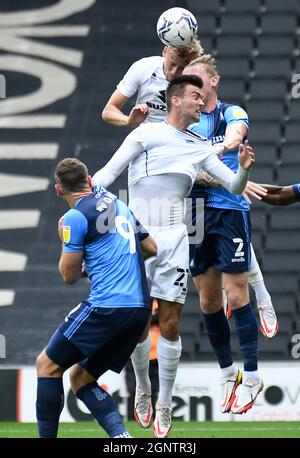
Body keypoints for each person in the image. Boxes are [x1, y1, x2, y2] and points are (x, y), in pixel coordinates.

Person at [93, 74, 255, 437]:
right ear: (176, 100)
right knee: (135, 322)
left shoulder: (198, 145)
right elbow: (109, 173)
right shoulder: (144, 134)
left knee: (169, 323)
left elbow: (232, 187)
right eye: (197, 97)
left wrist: (242, 169)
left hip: (175, 239)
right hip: (136, 238)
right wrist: (80, 198)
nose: (203, 102)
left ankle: (165, 402)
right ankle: (143, 389)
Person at [35, 158, 157, 439]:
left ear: (58, 190)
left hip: (108, 305)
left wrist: (66, 242)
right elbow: (151, 247)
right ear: (89, 180)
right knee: (81, 378)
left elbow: (69, 275)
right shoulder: (119, 204)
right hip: (139, 310)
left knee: (47, 365)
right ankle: (121, 439)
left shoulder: (76, 218)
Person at [182, 55, 265, 414]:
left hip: (229, 210)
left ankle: (252, 375)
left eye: (199, 78)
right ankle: (226, 372)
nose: (195, 86)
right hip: (193, 212)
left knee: (237, 292)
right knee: (208, 301)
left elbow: (236, 134)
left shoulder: (230, 113)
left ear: (214, 80)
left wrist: (220, 150)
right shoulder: (185, 122)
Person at [101, 39, 203, 127]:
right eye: (172, 64)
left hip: (180, 138)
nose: (174, 72)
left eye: (182, 68)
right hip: (145, 135)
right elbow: (108, 110)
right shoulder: (143, 67)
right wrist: (128, 120)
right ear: (164, 51)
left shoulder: (196, 80)